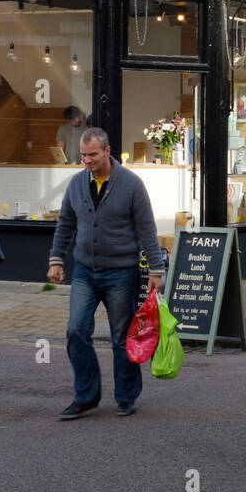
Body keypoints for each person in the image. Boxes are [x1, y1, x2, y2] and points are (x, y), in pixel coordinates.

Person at [47, 127, 165, 419]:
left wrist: (156, 269)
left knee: (121, 337)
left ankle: (126, 396)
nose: (86, 160)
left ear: (107, 151)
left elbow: (146, 229)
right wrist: (56, 260)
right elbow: (65, 225)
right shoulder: (76, 184)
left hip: (121, 273)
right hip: (85, 271)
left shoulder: (132, 184)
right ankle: (86, 396)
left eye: (93, 155)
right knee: (76, 330)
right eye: (83, 155)